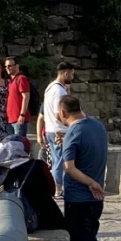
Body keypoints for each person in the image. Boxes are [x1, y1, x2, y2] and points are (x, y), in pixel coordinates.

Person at [58, 95, 108, 241]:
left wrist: (90, 182)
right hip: (96, 200)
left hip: (79, 197)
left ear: (62, 113)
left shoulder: (73, 132)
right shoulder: (97, 127)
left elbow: (69, 167)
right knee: (90, 239)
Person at [0, 136, 66, 231]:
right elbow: (51, 191)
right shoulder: (39, 164)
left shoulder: (1, 169)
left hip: (19, 218)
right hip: (47, 218)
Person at [37, 62, 75, 198]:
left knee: (55, 159)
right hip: (59, 130)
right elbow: (58, 113)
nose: (72, 77)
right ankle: (58, 188)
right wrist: (70, 124)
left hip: (50, 129)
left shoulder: (49, 88)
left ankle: (56, 187)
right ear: (66, 73)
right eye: (71, 74)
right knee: (61, 160)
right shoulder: (60, 91)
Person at [5, 57, 37, 138]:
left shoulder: (21, 79)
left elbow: (26, 96)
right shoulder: (10, 81)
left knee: (18, 146)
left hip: (19, 119)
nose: (7, 68)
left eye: (10, 66)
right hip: (10, 119)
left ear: (17, 66)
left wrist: (22, 114)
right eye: (6, 66)